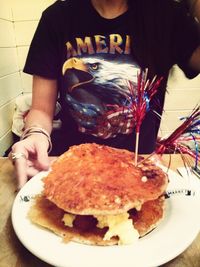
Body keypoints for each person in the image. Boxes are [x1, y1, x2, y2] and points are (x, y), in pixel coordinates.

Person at [10, 0, 200, 189]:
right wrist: (36, 134)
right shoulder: (57, 18)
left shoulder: (168, 15)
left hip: (140, 171)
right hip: (74, 170)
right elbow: (41, 109)